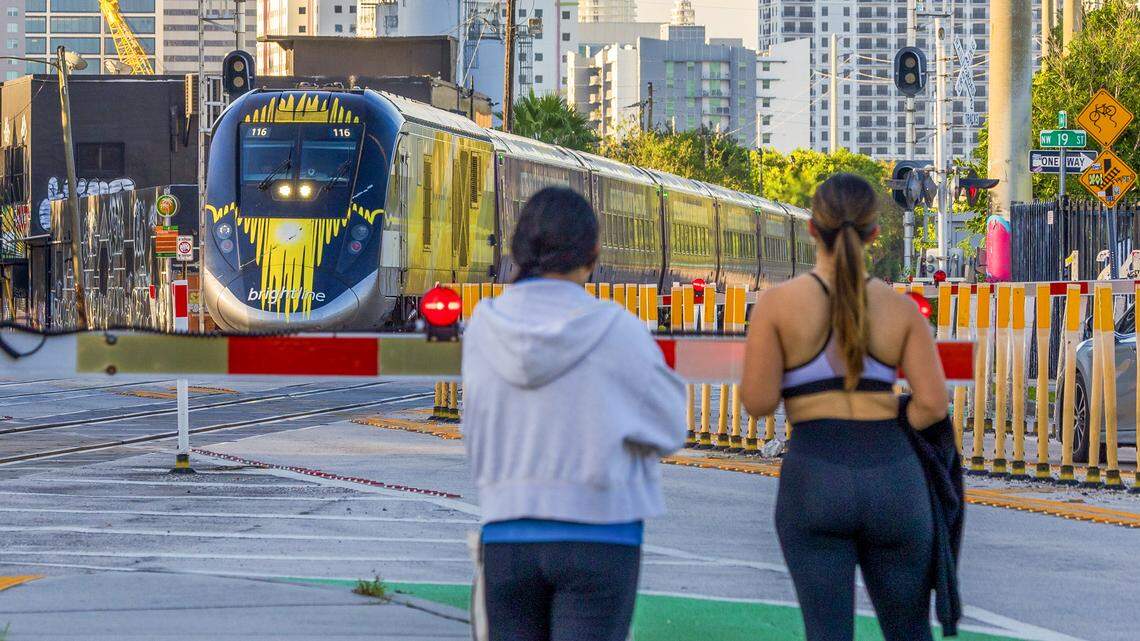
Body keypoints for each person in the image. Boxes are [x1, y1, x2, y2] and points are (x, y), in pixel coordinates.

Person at [462, 186, 687, 641]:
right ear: (593, 253)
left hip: (507, 531)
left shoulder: (483, 325)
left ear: (517, 250)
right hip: (601, 533)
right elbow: (670, 426)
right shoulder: (617, 328)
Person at [740, 173, 949, 641]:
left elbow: (757, 401)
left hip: (815, 476)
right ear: (875, 234)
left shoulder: (778, 305)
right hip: (894, 478)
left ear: (813, 229)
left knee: (827, 632)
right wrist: (893, 425)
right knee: (909, 630)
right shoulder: (901, 310)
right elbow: (933, 404)